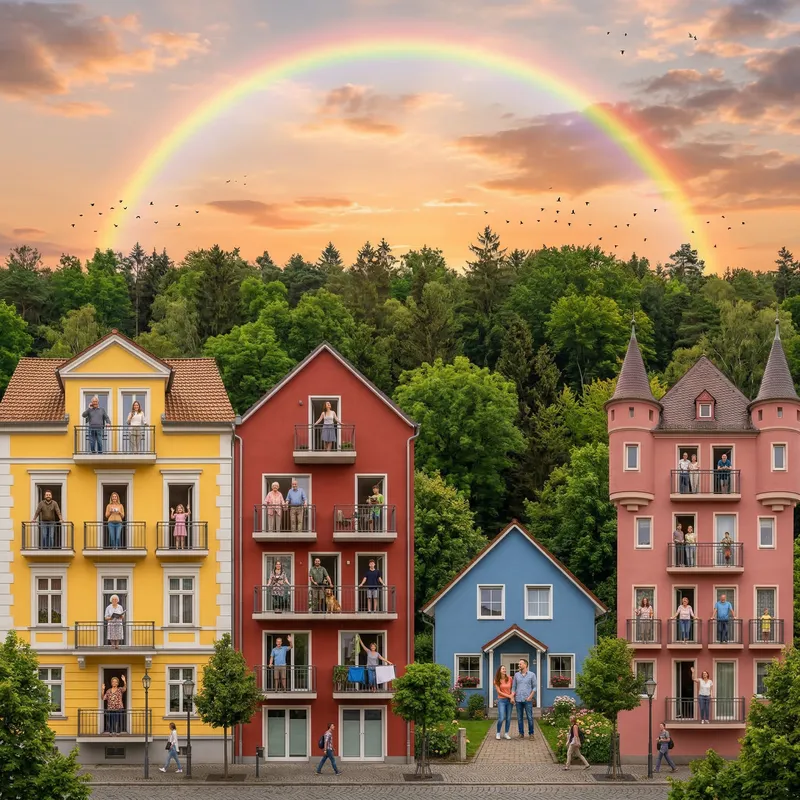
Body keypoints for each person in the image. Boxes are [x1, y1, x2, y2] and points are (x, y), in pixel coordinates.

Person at [511, 658, 536, 738]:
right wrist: (512, 697)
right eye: (519, 664)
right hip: (518, 699)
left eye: (520, 664)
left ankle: (531, 734)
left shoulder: (532, 675)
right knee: (519, 718)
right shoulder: (516, 675)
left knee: (529, 717)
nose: (519, 665)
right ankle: (521, 733)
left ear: (525, 665)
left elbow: (535, 687)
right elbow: (513, 687)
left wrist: (530, 697)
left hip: (528, 700)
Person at [494, 665, 513, 740]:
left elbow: (513, 689)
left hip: (509, 701)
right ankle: (498, 733)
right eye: (503, 669)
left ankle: (506, 733)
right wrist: (509, 696)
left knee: (508, 718)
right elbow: (499, 692)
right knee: (501, 718)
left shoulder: (510, 678)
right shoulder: (496, 680)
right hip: (501, 700)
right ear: (500, 671)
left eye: (505, 669)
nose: (504, 670)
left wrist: (512, 697)